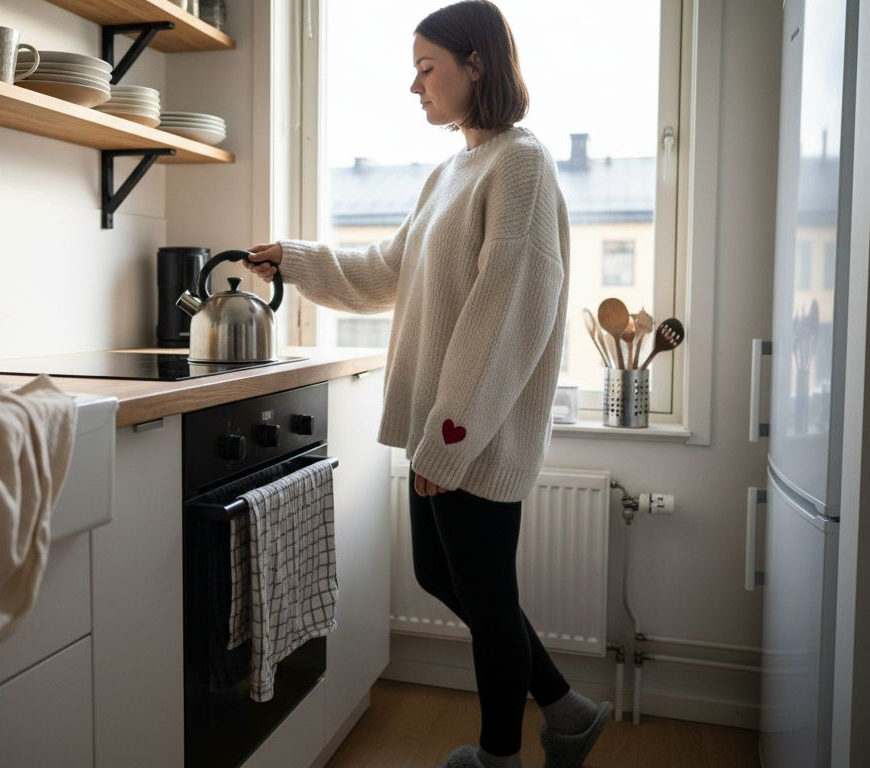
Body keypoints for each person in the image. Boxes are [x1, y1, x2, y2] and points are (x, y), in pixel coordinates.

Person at [244, 2, 612, 767]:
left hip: (472, 432)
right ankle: (569, 711)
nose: (415, 87)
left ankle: (500, 757)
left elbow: (507, 312)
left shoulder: (522, 162)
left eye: (426, 68)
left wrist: (451, 438)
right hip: (444, 428)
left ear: (475, 64)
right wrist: (300, 259)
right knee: (448, 579)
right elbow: (389, 269)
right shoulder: (451, 171)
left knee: (480, 593)